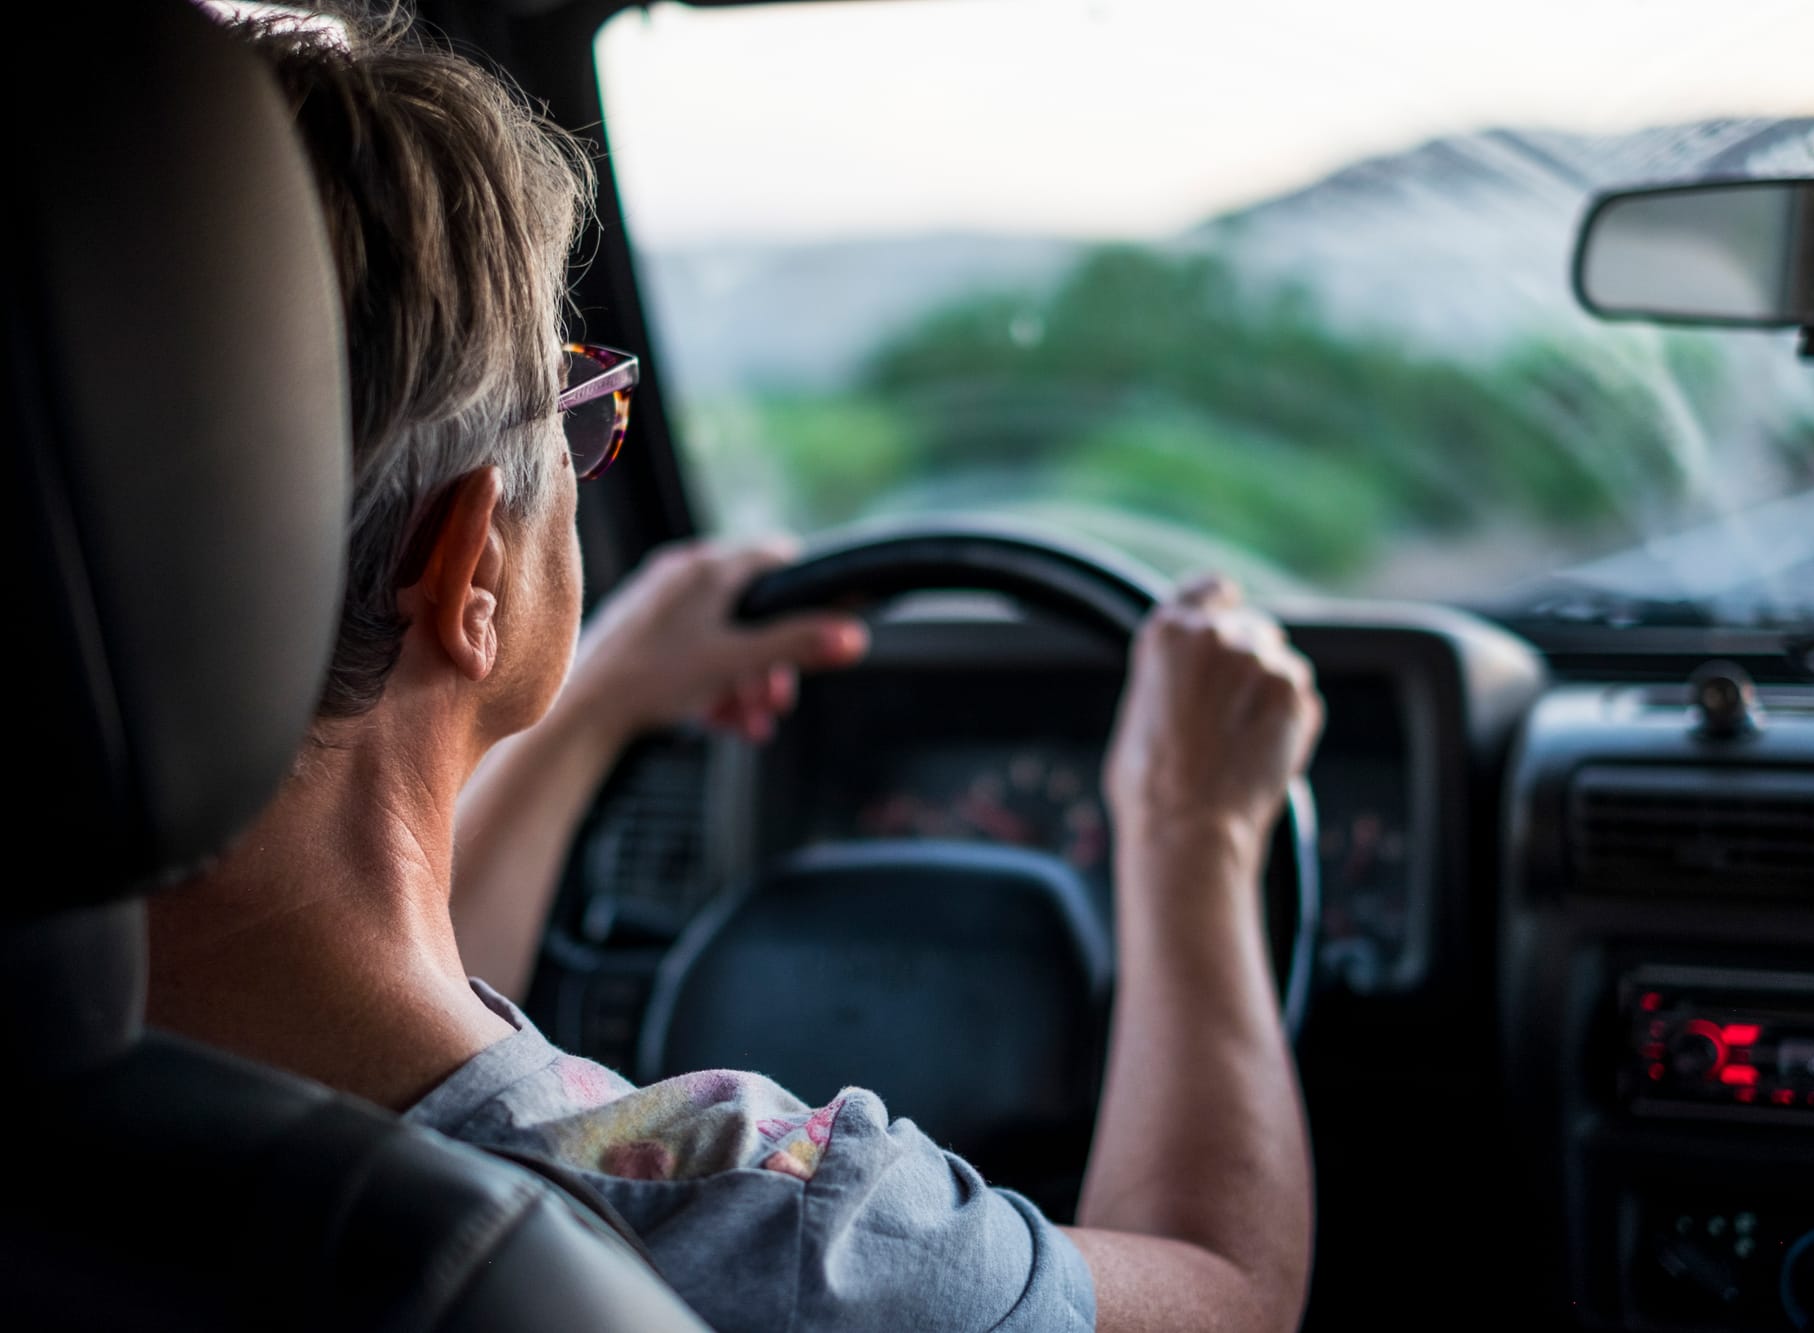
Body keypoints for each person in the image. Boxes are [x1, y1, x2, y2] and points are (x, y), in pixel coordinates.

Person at [148, 10, 1321, 1332]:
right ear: (471, 562)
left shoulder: (102, 1064)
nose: (587, 460)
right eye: (575, 417)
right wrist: (1195, 827)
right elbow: (1230, 1293)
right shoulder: (759, 1222)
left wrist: (593, 704)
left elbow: (351, 1013)